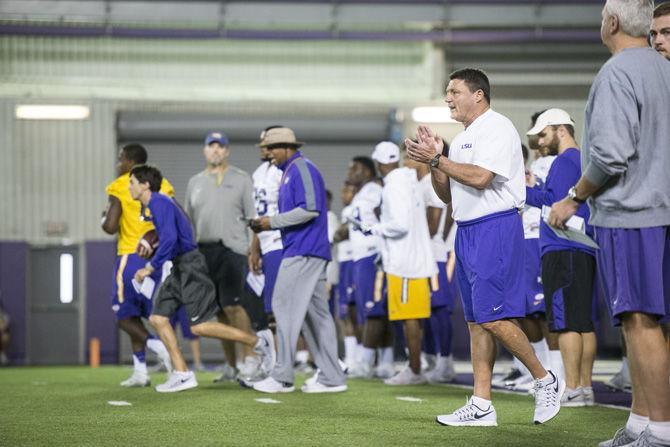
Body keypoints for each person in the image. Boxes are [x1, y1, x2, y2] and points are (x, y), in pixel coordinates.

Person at [406, 67, 564, 427]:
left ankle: (545, 378)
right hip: (467, 230)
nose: (448, 98)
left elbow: (481, 178)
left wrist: (436, 158)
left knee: (493, 317)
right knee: (477, 322)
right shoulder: (463, 137)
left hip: (495, 227)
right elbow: (447, 195)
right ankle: (481, 404)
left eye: (454, 91)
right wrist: (436, 161)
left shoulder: (497, 126)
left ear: (478, 94)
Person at [548, 1, 670, 444]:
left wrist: (572, 198)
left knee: (640, 321)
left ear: (612, 23)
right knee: (644, 323)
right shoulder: (664, 68)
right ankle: (640, 422)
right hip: (661, 210)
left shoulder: (617, 73)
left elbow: (612, 156)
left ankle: (659, 430)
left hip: (632, 214)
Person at [129, 164, 275, 393]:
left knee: (200, 327)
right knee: (158, 318)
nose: (129, 186)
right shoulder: (154, 204)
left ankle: (258, 343)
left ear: (145, 184)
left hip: (190, 265)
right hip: (179, 266)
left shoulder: (158, 201)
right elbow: (168, 235)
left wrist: (150, 266)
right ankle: (182, 373)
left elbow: (169, 239)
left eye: (132, 182)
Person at [248, 127, 347, 394]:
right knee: (316, 316)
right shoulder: (290, 171)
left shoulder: (301, 168)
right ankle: (331, 376)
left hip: (303, 250)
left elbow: (311, 210)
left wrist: (272, 222)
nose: (268, 155)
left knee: (282, 305)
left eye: (272, 149)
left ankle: (282, 376)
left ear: (286, 147)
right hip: (307, 249)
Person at [526, 108, 597, 408]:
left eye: (544, 133)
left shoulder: (565, 161)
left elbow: (555, 205)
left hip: (562, 246)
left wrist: (525, 191)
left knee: (567, 323)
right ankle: (585, 387)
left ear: (561, 130)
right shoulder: (581, 162)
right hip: (581, 247)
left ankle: (573, 388)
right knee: (582, 321)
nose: (541, 142)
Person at [185, 131, 268, 379]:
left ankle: (250, 360)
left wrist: (254, 249)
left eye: (220, 147)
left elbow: (254, 218)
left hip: (233, 250)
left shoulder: (242, 179)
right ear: (204, 151)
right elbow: (189, 220)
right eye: (211, 146)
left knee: (235, 307)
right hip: (203, 251)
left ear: (227, 151)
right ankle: (231, 366)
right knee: (219, 311)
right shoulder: (194, 182)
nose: (216, 151)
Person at [365, 141, 436, 386]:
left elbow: (400, 224)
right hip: (412, 259)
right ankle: (416, 366)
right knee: (412, 318)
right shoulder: (408, 181)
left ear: (379, 162)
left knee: (410, 319)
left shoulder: (394, 186)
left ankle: (415, 369)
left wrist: (374, 227)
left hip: (404, 262)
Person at [101, 143, 172, 387]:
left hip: (131, 257)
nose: (119, 163)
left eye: (121, 158)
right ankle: (141, 371)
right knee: (151, 315)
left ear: (130, 161)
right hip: (158, 258)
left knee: (124, 316)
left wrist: (104, 217)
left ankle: (157, 346)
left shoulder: (122, 184)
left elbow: (110, 226)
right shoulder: (163, 184)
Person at [404, 143, 457, 384]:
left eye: (410, 158)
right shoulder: (417, 185)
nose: (406, 162)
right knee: (426, 310)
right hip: (425, 253)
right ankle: (433, 359)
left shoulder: (430, 183)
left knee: (438, 309)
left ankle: (446, 362)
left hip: (433, 253)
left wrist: (441, 246)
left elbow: (436, 221)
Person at [345, 156, 395, 379]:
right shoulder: (362, 192)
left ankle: (365, 361)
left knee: (374, 309)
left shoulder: (374, 189)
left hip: (372, 254)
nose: (350, 172)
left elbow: (384, 214)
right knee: (374, 311)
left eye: (354, 168)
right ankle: (385, 361)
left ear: (366, 171)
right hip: (360, 255)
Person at [248, 126, 284, 320]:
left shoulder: (284, 171)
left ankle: (289, 352)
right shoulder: (259, 172)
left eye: (267, 143)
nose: (263, 148)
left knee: (279, 308)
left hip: (281, 242)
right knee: (267, 309)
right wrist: (254, 248)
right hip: (266, 242)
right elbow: (257, 214)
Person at [0, 301, 9, 366]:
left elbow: (5, 325)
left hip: (1, 332)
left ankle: (2, 355)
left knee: (5, 336)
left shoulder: (3, 315)